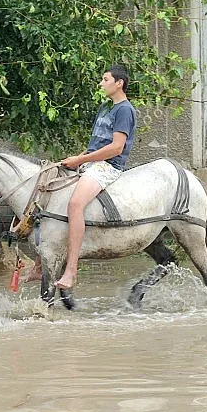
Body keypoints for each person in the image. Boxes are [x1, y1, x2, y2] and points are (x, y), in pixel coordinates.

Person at [53, 64, 136, 290]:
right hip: (90, 162)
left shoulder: (124, 110)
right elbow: (95, 144)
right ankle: (43, 264)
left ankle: (71, 271)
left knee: (75, 204)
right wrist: (77, 157)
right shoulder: (105, 108)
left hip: (108, 166)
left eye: (105, 79)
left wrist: (80, 162)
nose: (101, 83)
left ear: (119, 83)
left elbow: (116, 148)